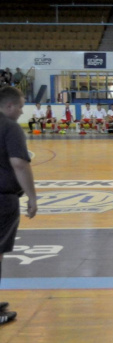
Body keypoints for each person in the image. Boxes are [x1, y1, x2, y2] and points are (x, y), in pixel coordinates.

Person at [0, 86, 37, 325]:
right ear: (10, 106)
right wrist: (32, 197)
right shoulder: (9, 127)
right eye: (21, 106)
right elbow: (19, 164)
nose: (22, 111)